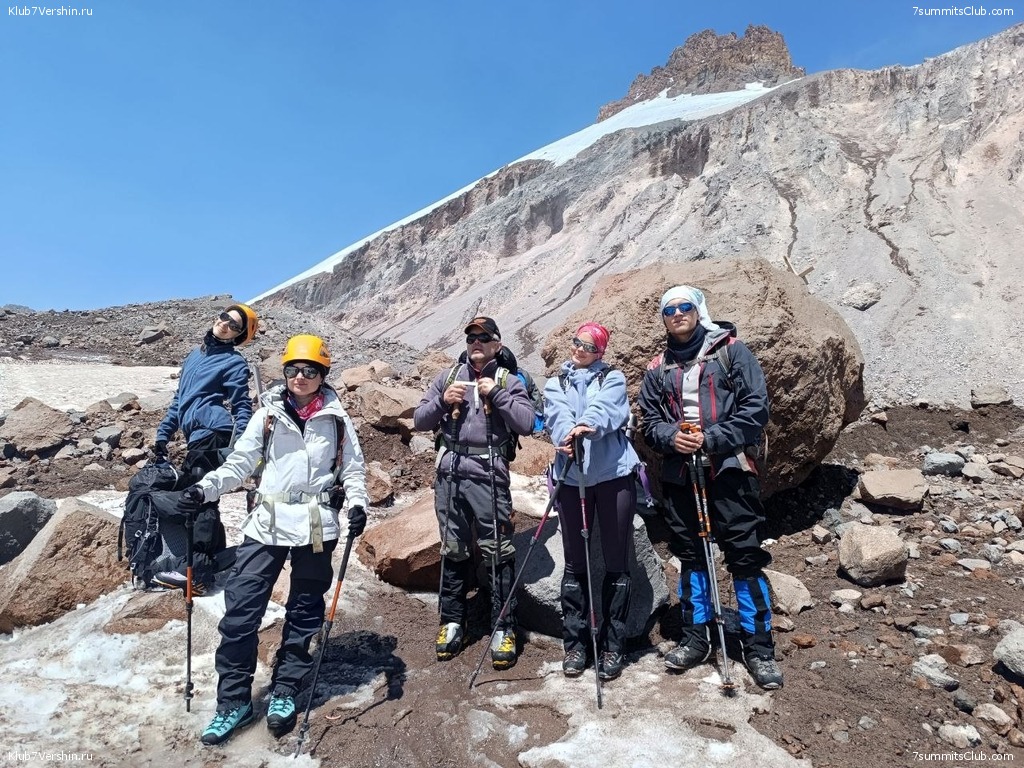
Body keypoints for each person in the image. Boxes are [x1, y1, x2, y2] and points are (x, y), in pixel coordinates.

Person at [185, 334, 369, 745]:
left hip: (316, 525)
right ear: (284, 372)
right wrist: (204, 489)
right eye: (293, 369)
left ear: (322, 375)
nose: (300, 377)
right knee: (240, 613)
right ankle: (233, 702)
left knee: (304, 610)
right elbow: (239, 464)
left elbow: (353, 470)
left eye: (310, 370)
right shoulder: (266, 416)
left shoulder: (337, 421)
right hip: (266, 524)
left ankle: (286, 689)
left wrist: (358, 504)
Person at [638, 286, 782, 690]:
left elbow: (756, 408)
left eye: (685, 306)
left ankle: (759, 647)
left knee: (745, 555)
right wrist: (672, 437)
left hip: (729, 469)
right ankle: (696, 637)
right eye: (669, 309)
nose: (677, 314)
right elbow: (650, 421)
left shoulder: (732, 352)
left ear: (698, 309)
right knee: (691, 555)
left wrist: (712, 438)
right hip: (681, 474)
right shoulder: (658, 367)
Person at [413, 316, 535, 669]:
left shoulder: (508, 381)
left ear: (497, 344)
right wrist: (442, 402)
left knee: (497, 550)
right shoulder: (448, 378)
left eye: (484, 337)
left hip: (488, 476)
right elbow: (420, 420)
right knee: (452, 548)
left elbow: (527, 423)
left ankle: (503, 627)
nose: (476, 342)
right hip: (449, 475)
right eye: (471, 338)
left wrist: (496, 394)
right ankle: (452, 621)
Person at [543, 322, 641, 682]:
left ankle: (613, 644)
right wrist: (565, 436)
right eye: (577, 343)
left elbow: (608, 409)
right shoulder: (555, 383)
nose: (580, 349)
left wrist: (585, 425)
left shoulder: (612, 378)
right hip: (572, 477)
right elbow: (555, 415)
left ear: (601, 351)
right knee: (575, 561)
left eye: (589, 346)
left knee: (616, 559)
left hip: (614, 475)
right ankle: (576, 643)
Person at [150, 303, 258, 591]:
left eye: (234, 326)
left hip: (213, 433)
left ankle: (195, 572)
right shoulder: (194, 356)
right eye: (224, 317)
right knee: (203, 497)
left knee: (200, 500)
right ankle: (215, 560)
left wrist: (241, 442)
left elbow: (241, 405)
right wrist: (163, 435)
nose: (225, 324)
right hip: (196, 436)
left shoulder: (233, 362)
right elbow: (179, 401)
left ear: (238, 336)